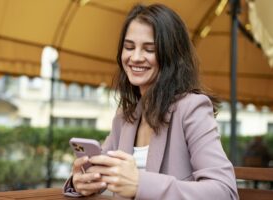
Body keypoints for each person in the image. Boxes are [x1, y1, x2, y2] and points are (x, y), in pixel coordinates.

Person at [63, 3, 239, 200]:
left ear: (171, 55)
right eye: (129, 47)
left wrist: (140, 184)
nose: (135, 57)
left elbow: (225, 191)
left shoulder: (192, 108)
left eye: (149, 49)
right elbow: (101, 174)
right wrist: (82, 182)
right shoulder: (125, 116)